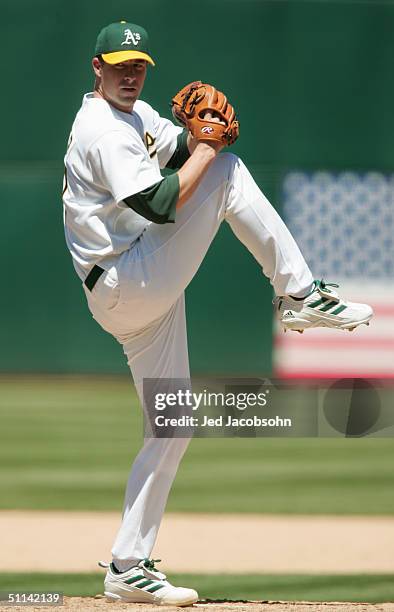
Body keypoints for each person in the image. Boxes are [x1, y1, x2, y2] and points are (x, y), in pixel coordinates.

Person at [62, 20, 373, 605]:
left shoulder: (134, 114)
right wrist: (209, 146)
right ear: (96, 67)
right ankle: (301, 294)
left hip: (136, 284)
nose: (131, 73)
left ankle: (127, 566)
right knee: (226, 173)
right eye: (119, 64)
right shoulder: (102, 129)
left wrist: (193, 132)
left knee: (172, 423)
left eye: (139, 64)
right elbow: (156, 202)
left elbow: (175, 149)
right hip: (128, 279)